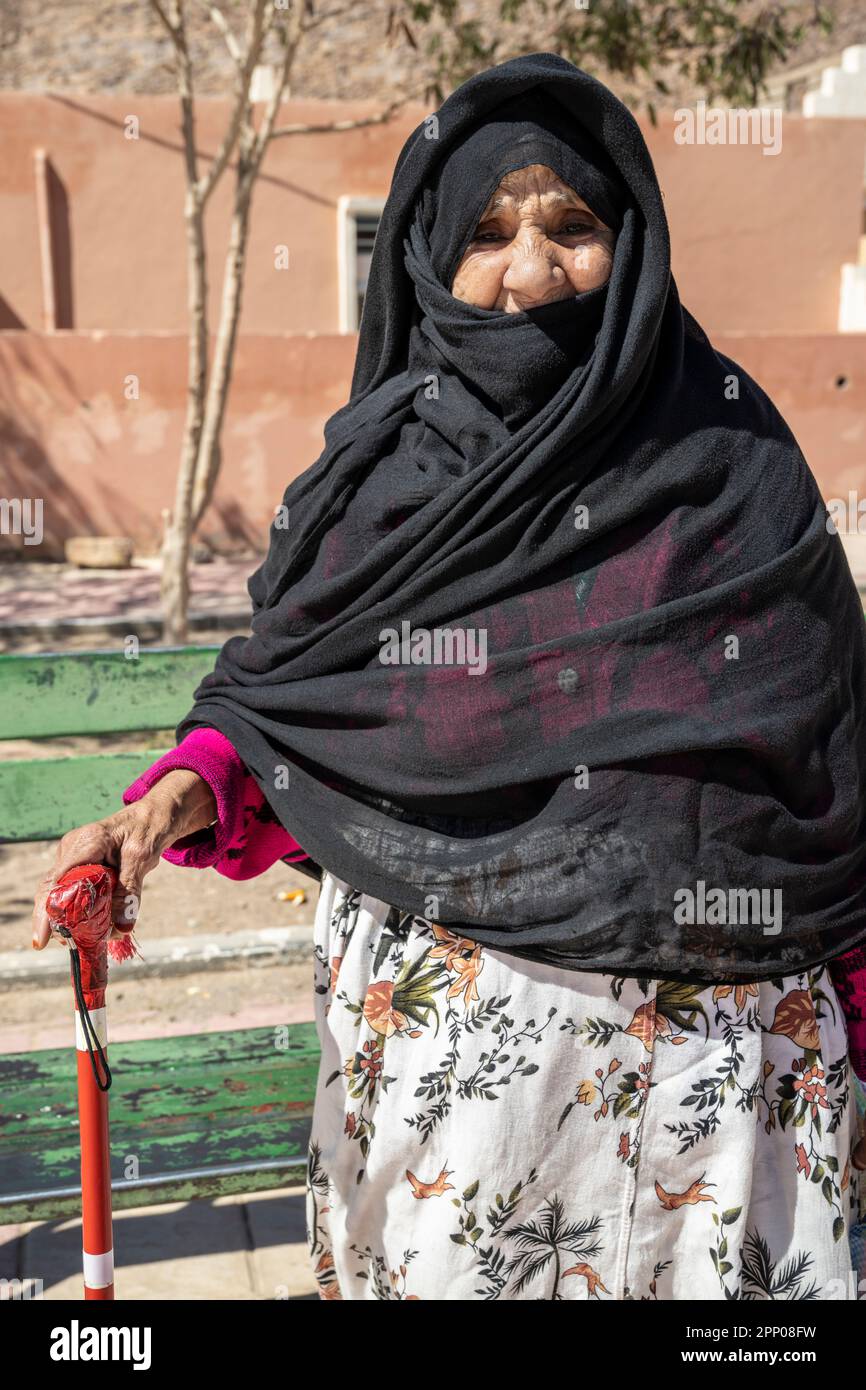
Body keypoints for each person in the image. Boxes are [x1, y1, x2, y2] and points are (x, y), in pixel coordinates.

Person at [34, 53, 866, 1301]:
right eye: (487, 234)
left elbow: (835, 789)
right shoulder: (382, 489)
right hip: (459, 1129)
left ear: (629, 244)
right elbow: (286, 719)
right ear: (425, 258)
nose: (531, 271)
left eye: (571, 226)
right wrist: (161, 807)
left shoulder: (732, 465)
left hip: (722, 1120)